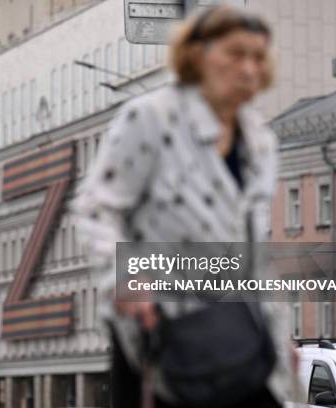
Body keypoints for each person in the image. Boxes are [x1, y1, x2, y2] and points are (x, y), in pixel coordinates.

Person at [73, 5, 302, 408]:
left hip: (239, 329)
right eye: (236, 54)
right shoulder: (150, 118)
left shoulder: (261, 141)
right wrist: (124, 279)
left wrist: (278, 330)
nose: (249, 68)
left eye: (258, 56)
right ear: (197, 54)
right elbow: (96, 210)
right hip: (160, 329)